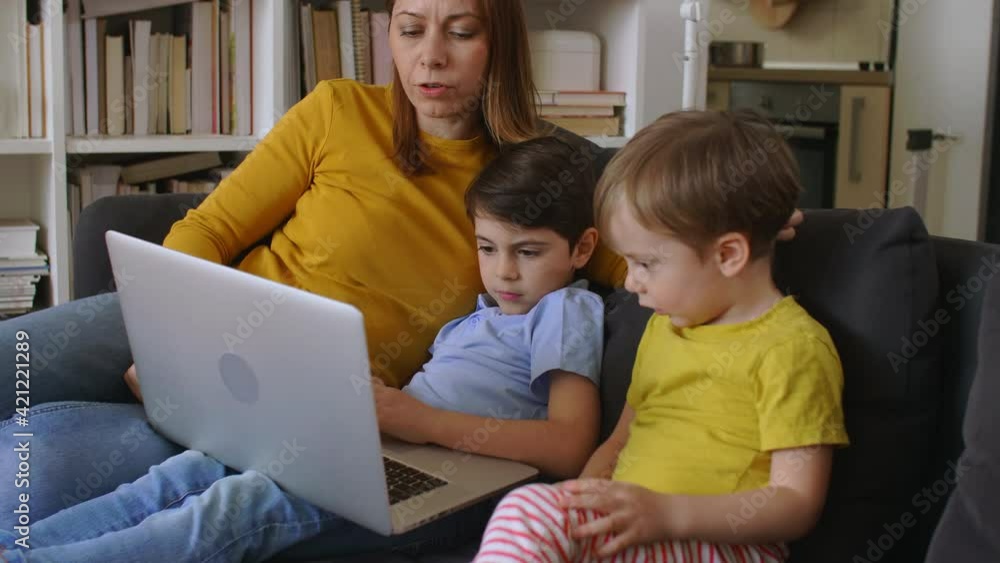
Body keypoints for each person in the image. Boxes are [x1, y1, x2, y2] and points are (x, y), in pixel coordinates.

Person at [0, 0, 623, 528]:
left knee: (35, 468)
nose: (430, 57)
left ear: (501, 45)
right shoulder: (340, 110)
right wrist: (169, 336)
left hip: (291, 405)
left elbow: (656, 267)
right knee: (13, 361)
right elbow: (209, 228)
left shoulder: (534, 183)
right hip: (200, 322)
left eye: (461, 32)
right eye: (410, 30)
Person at [0, 137, 607, 562]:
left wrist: (419, 420)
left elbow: (570, 444)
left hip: (451, 486)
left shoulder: (565, 310)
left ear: (582, 249)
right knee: (185, 473)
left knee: (235, 507)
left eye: (527, 252)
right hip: (376, 452)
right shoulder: (482, 317)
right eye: (487, 247)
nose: (503, 272)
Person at [472, 111, 851, 563]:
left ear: (729, 254)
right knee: (531, 510)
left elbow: (797, 503)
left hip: (721, 545)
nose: (630, 283)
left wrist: (669, 515)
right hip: (634, 530)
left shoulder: (793, 348)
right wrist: (579, 503)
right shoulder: (663, 327)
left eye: (646, 264)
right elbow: (617, 444)